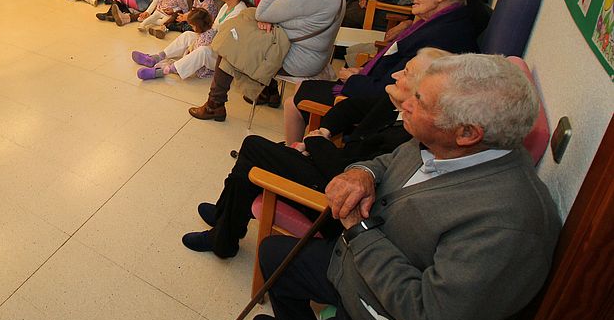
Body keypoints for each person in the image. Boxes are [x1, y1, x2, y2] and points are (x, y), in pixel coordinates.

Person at [252, 54, 560, 320]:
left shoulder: (509, 224)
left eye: (419, 101)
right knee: (273, 253)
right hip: (356, 272)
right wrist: (362, 172)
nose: (405, 104)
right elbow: (388, 161)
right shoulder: (444, 141)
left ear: (467, 133)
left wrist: (360, 231)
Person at [181, 48, 449, 259]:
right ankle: (223, 225)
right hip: (334, 164)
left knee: (253, 148)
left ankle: (224, 231)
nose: (395, 75)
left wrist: (313, 144)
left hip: (337, 198)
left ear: (422, 91)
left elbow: (353, 171)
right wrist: (322, 133)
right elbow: (351, 108)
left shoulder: (410, 135)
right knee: (257, 157)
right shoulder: (396, 105)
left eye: (406, 73)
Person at [285, 0, 483, 142]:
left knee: (294, 99)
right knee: (302, 86)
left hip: (383, 106)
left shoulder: (442, 37)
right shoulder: (444, 21)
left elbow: (393, 88)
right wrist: (363, 71)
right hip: (377, 86)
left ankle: (298, 151)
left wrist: (355, 79)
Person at [190, 0, 345, 121]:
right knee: (244, 21)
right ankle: (268, 91)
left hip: (298, 58)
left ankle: (214, 104)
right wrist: (267, 19)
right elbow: (275, 15)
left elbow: (263, 12)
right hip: (314, 52)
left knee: (230, 43)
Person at [133, 8, 216, 81]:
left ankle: (165, 70)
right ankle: (158, 57)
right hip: (209, 44)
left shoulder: (206, 37)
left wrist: (187, 54)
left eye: (193, 26)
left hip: (208, 64)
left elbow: (196, 53)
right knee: (188, 34)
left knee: (200, 51)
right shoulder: (207, 29)